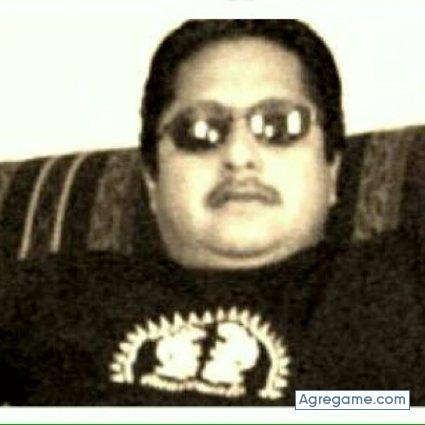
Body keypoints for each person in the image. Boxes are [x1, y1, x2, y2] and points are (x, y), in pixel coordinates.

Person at [0, 19, 423, 406]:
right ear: (152, 180)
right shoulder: (49, 295)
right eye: (199, 130)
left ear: (331, 170)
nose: (239, 156)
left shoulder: (405, 280)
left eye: (280, 125)